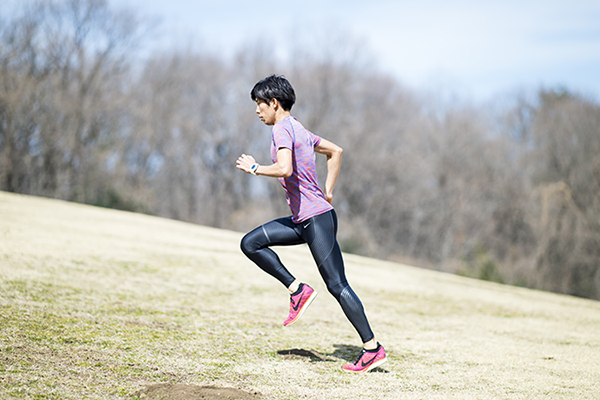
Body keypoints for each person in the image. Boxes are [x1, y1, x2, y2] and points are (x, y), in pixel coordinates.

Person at [236, 75, 386, 373]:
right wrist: (328, 191)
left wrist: (255, 168)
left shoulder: (282, 129)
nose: (257, 111)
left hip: (315, 220)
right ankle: (297, 290)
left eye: (259, 104)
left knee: (337, 285)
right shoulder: (300, 129)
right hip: (305, 219)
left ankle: (372, 349)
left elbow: (284, 168)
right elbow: (336, 151)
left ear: (274, 103)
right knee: (250, 243)